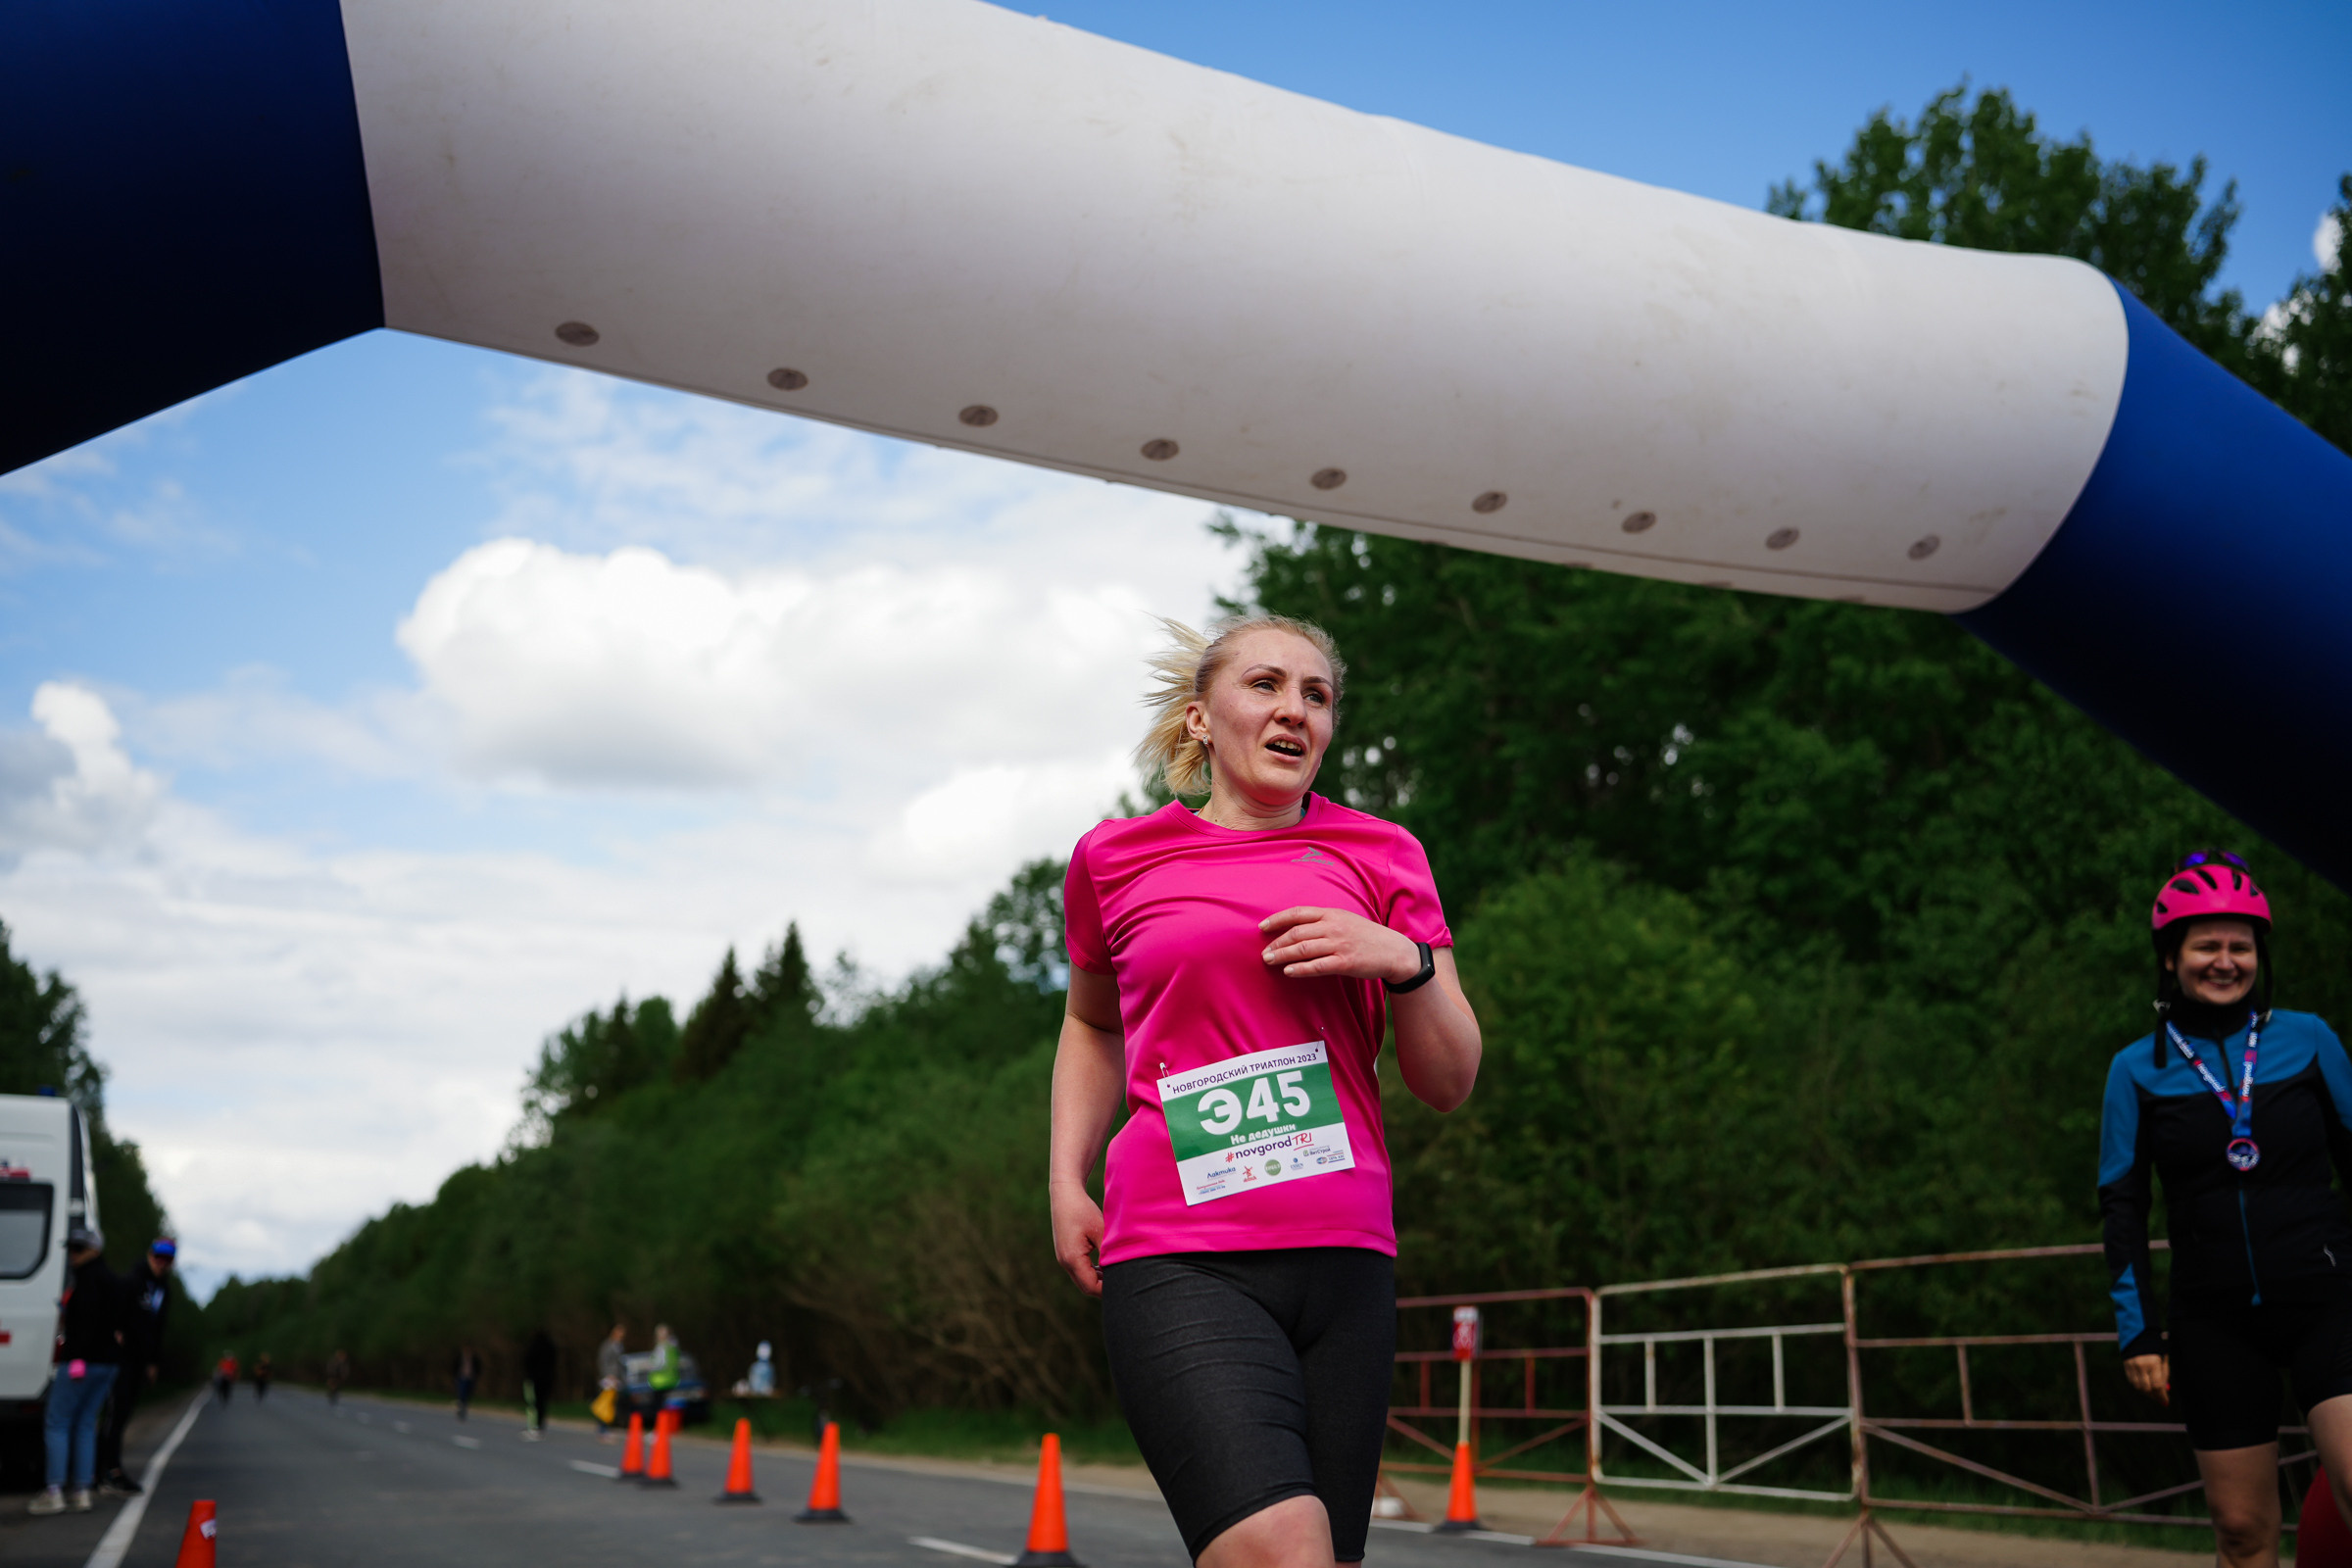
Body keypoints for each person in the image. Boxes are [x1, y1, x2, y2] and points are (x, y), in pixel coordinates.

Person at [1051, 614, 1481, 1568]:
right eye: (1266, 685)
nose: (1294, 709)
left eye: (1317, 695)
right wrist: (1064, 1178)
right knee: (1281, 1545)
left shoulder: (1384, 854)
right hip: (1179, 1251)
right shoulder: (1114, 859)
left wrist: (1405, 962)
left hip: (1345, 1258)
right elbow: (1092, 1023)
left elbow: (1448, 1081)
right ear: (1202, 718)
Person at [2101, 850, 2352, 1568]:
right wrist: (2138, 1333)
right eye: (2206, 945)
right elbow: (2121, 1207)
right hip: (2212, 1319)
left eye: (2239, 946)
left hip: (2328, 1300)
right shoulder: (2133, 1070)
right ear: (2171, 957)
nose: (2225, 960)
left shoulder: (2309, 1039)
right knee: (2240, 1530)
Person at [31, 1226, 124, 1516]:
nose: (73, 1254)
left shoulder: (85, 1280)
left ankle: (55, 1491)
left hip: (80, 1363)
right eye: (71, 1248)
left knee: (57, 1422)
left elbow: (84, 1325)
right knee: (85, 1424)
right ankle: (82, 1491)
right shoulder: (112, 1280)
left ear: (94, 1250)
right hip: (108, 1363)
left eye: (79, 1249)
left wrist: (75, 1355)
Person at [98, 1236, 175, 1494]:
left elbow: (158, 1329)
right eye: (158, 1257)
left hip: (140, 1363)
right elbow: (112, 1314)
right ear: (149, 1254)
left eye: (167, 1259)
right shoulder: (132, 1281)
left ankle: (111, 1469)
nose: (161, 1263)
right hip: (121, 1360)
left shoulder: (164, 1289)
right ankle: (106, 1471)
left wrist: (153, 1362)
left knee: (124, 1414)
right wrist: (116, 1333)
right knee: (115, 1415)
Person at [522, 1329, 557, 1439]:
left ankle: (533, 1425)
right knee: (543, 1403)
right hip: (547, 1378)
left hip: (534, 1379)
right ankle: (541, 1424)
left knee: (533, 1403)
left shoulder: (533, 1347)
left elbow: (527, 1361)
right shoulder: (550, 1348)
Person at [595, 1323, 626, 1440]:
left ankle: (606, 1427)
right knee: (605, 1403)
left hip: (616, 1379)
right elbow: (603, 1361)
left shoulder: (619, 1345)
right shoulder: (607, 1345)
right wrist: (608, 1375)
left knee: (611, 1404)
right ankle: (602, 1428)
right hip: (608, 1379)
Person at [453, 1345, 479, 1419]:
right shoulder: (460, 1358)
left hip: (470, 1378)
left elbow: (478, 1367)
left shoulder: (474, 1359)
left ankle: (464, 1407)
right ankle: (460, 1406)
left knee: (468, 1394)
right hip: (461, 1378)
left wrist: (475, 1375)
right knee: (461, 1392)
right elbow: (454, 1366)